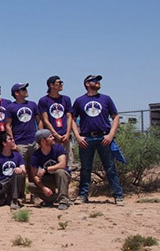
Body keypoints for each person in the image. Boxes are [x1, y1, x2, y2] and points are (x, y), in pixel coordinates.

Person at [72, 75, 124, 206]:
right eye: (95, 81)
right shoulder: (79, 100)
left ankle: (118, 195)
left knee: (110, 167)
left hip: (104, 137)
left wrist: (111, 135)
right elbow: (72, 119)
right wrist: (78, 136)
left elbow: (115, 116)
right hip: (86, 138)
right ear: (87, 84)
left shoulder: (106, 99)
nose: (98, 82)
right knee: (85, 168)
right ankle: (83, 195)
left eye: (99, 80)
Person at [5, 82, 41, 189]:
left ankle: (35, 193)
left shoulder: (33, 105)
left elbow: (39, 121)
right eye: (23, 89)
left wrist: (40, 138)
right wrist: (12, 142)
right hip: (20, 143)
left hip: (33, 141)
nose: (26, 91)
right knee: (21, 169)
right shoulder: (11, 107)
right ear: (16, 93)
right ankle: (20, 194)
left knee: (34, 169)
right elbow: (8, 125)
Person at [29, 129, 71, 210]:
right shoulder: (36, 155)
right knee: (31, 186)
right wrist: (43, 188)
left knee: (60, 172)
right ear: (43, 141)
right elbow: (34, 176)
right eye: (50, 137)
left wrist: (46, 169)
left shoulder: (58, 148)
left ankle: (63, 200)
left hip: (61, 178)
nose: (53, 138)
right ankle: (53, 198)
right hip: (48, 180)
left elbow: (62, 164)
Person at [38, 76, 74, 164]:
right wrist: (55, 134)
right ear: (52, 85)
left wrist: (68, 133)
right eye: (59, 82)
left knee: (67, 163)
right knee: (53, 162)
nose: (62, 84)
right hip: (52, 137)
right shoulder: (43, 100)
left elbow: (69, 117)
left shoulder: (66, 99)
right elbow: (45, 120)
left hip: (65, 136)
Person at [0, 132, 26, 209]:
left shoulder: (17, 155)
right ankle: (6, 200)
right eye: (10, 139)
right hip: (3, 183)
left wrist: (20, 170)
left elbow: (24, 171)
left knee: (17, 173)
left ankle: (14, 200)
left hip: (14, 181)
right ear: (4, 143)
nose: (13, 140)